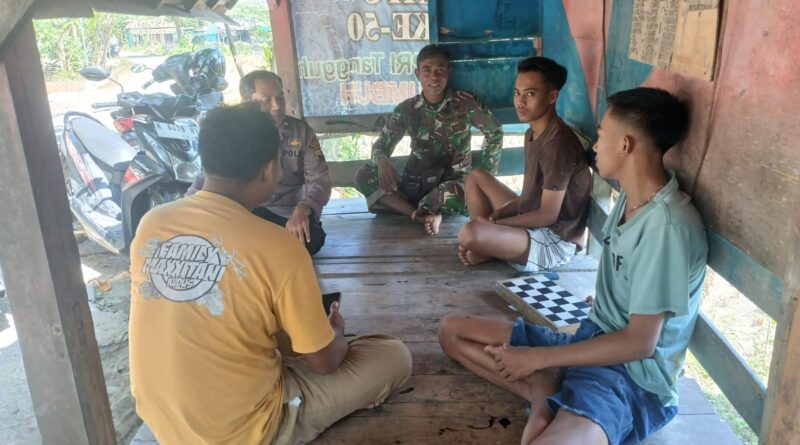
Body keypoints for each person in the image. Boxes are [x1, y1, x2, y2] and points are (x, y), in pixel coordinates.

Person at [129, 104, 412, 445]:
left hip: (164, 418)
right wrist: (336, 335)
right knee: (393, 355)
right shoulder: (279, 246)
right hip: (243, 431)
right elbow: (324, 363)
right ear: (268, 169)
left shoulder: (153, 224)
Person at [439, 87, 707, 445]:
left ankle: (546, 388)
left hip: (629, 379)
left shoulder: (667, 227)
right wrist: (542, 356)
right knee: (452, 331)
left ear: (625, 145)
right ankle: (542, 390)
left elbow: (641, 343)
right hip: (590, 339)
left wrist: (537, 358)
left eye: (601, 135)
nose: (594, 145)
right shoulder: (632, 196)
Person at [457, 57, 591, 272]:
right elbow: (529, 197)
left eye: (530, 94)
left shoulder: (557, 144)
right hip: (532, 219)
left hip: (554, 240)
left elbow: (548, 215)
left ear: (552, 96)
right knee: (475, 177)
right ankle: (490, 244)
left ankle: (488, 245)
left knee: (470, 233)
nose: (520, 101)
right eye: (517, 93)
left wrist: (495, 225)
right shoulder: (532, 133)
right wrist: (497, 216)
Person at [353, 44, 503, 235]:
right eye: (427, 70)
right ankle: (419, 215)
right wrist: (382, 161)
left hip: (452, 186)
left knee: (451, 192)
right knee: (363, 175)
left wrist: (486, 180)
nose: (434, 77)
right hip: (415, 184)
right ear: (417, 74)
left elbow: (494, 132)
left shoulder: (465, 103)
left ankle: (420, 210)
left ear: (449, 72)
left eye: (440, 70)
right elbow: (380, 146)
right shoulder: (407, 109)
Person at [189, 70, 332, 255]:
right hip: (240, 213)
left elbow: (320, 179)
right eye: (266, 100)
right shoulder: (233, 133)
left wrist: (305, 207)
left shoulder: (301, 133)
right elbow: (208, 176)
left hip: (286, 214)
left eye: (280, 97)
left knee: (311, 239)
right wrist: (189, 208)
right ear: (247, 102)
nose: (277, 106)